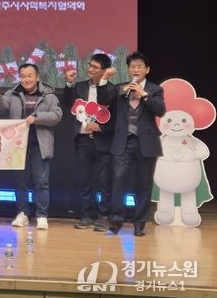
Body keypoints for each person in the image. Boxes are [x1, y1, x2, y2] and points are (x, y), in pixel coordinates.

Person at [97, 51, 166, 237]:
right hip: (123, 142)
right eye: (132, 66)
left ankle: (139, 224)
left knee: (144, 184)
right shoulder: (121, 88)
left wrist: (144, 94)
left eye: (139, 66)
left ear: (147, 69)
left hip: (146, 143)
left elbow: (160, 111)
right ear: (128, 69)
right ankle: (115, 223)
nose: (136, 69)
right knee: (118, 181)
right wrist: (104, 79)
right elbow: (103, 100)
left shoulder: (154, 89)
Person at [0, 63, 62, 230]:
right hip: (18, 145)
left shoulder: (48, 95)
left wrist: (36, 118)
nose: (26, 79)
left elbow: (57, 116)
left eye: (30, 76)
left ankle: (42, 215)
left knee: (41, 182)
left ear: (37, 77)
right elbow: (0, 109)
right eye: (23, 76)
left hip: (40, 144)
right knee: (20, 182)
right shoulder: (13, 93)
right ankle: (22, 213)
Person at [63, 53, 117, 232]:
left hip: (103, 141)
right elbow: (68, 103)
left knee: (104, 181)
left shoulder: (113, 90)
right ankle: (87, 215)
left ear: (105, 70)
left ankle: (104, 216)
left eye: (95, 67)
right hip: (83, 140)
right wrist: (69, 83)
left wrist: (100, 128)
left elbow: (115, 117)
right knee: (84, 180)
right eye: (90, 65)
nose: (90, 69)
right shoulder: (80, 86)